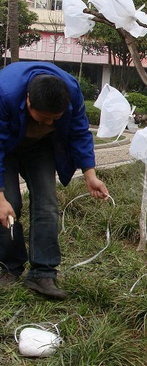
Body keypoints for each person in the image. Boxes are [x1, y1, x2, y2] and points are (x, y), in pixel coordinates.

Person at [0, 61, 109, 300]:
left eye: (55, 119)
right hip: (5, 148)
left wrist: (90, 175)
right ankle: (9, 268)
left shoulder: (72, 91)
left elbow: (80, 132)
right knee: (9, 206)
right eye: (43, 117)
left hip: (40, 147)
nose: (49, 123)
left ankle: (43, 273)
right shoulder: (4, 93)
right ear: (28, 100)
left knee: (47, 204)